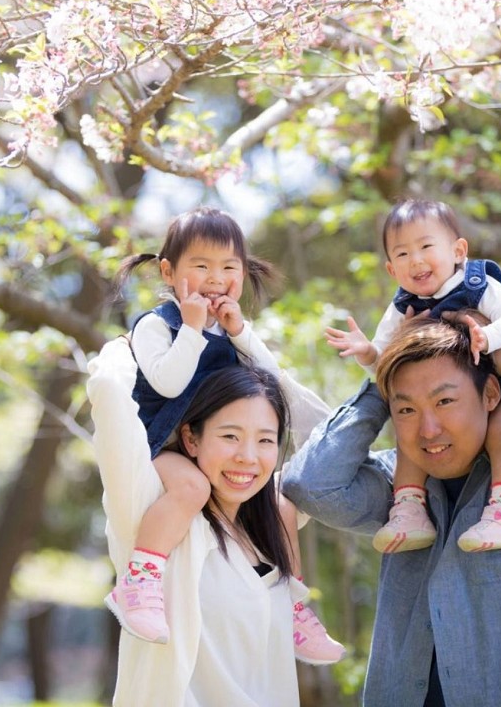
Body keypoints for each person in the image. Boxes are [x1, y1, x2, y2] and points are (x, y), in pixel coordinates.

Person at [283, 316, 501, 706]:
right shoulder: (402, 492)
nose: (428, 429)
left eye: (444, 401)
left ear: (489, 394)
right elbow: (311, 484)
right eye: (407, 410)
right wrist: (382, 383)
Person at [108, 207, 343, 664]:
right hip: (163, 443)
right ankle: (139, 580)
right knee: (192, 489)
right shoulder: (157, 325)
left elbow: (272, 384)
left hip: (215, 448)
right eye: (201, 266)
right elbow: (169, 384)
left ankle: (291, 602)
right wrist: (192, 328)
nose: (216, 278)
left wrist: (240, 333)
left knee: (282, 502)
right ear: (169, 272)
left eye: (228, 267)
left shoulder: (231, 330)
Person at [88, 339, 315, 705]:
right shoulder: (154, 510)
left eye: (265, 440)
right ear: (191, 439)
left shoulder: (274, 523)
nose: (248, 457)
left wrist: (244, 341)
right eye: (230, 436)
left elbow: (329, 436)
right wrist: (132, 344)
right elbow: (109, 388)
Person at [325, 199, 501, 554]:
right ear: (391, 269)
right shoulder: (401, 306)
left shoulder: (478, 285)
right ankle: (409, 509)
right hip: (438, 402)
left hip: (494, 391)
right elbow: (385, 365)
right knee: (411, 434)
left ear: (458, 251)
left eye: (425, 247)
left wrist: (488, 336)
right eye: (403, 254)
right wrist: (369, 354)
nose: (416, 260)